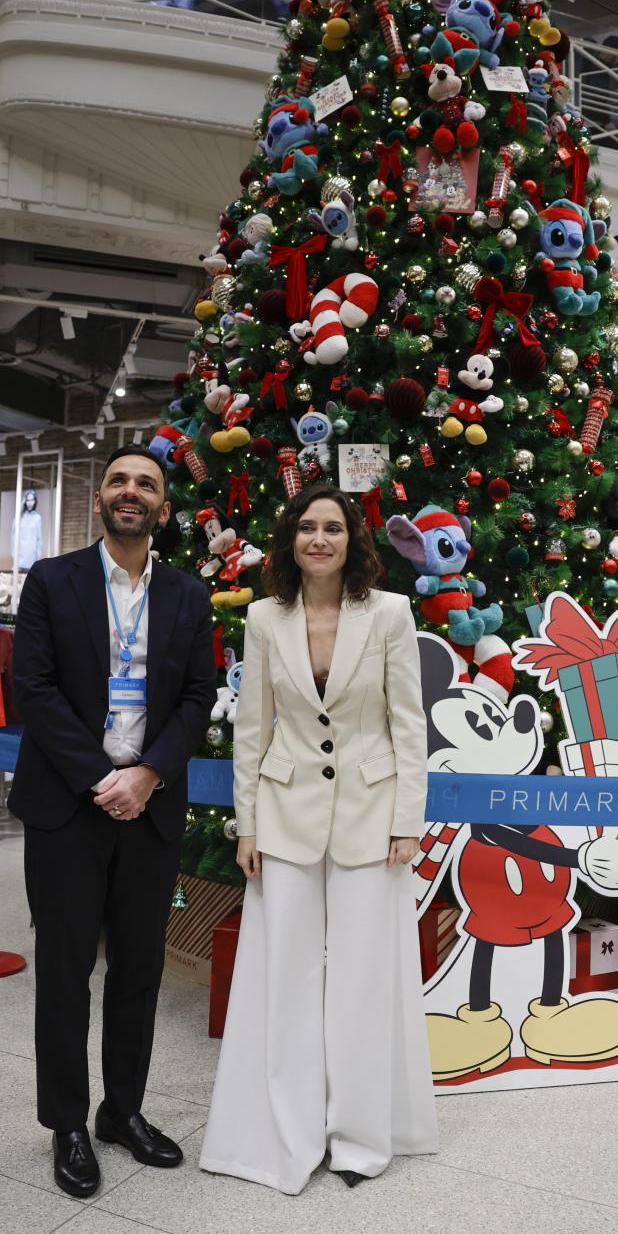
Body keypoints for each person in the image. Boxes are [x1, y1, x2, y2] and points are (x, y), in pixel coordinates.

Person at [200, 486, 438, 1195]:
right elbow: (253, 728)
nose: (319, 538)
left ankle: (362, 1138)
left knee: (364, 982)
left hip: (373, 814)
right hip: (284, 810)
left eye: (332, 527)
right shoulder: (266, 618)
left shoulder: (390, 614)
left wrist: (407, 820)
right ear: (290, 539)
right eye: (307, 526)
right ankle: (288, 1131)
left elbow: (409, 726)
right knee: (287, 978)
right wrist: (247, 822)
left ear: (352, 539)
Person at [10, 444, 216, 1199]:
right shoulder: (51, 581)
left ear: (164, 506)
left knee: (140, 969)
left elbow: (198, 697)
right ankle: (66, 1122)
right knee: (65, 972)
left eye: (147, 484)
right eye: (120, 480)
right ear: (100, 496)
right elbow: (30, 688)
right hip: (69, 806)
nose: (132, 492)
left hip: (151, 806)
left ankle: (121, 1111)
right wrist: (104, 778)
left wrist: (149, 772)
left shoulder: (189, 597)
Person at [13, 489, 44, 570]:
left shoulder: (37, 518)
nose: (30, 503)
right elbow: (14, 536)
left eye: (32, 500)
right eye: (27, 500)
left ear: (35, 501)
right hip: (20, 557)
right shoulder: (19, 518)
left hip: (32, 557)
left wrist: (38, 557)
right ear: (24, 501)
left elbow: (39, 539)